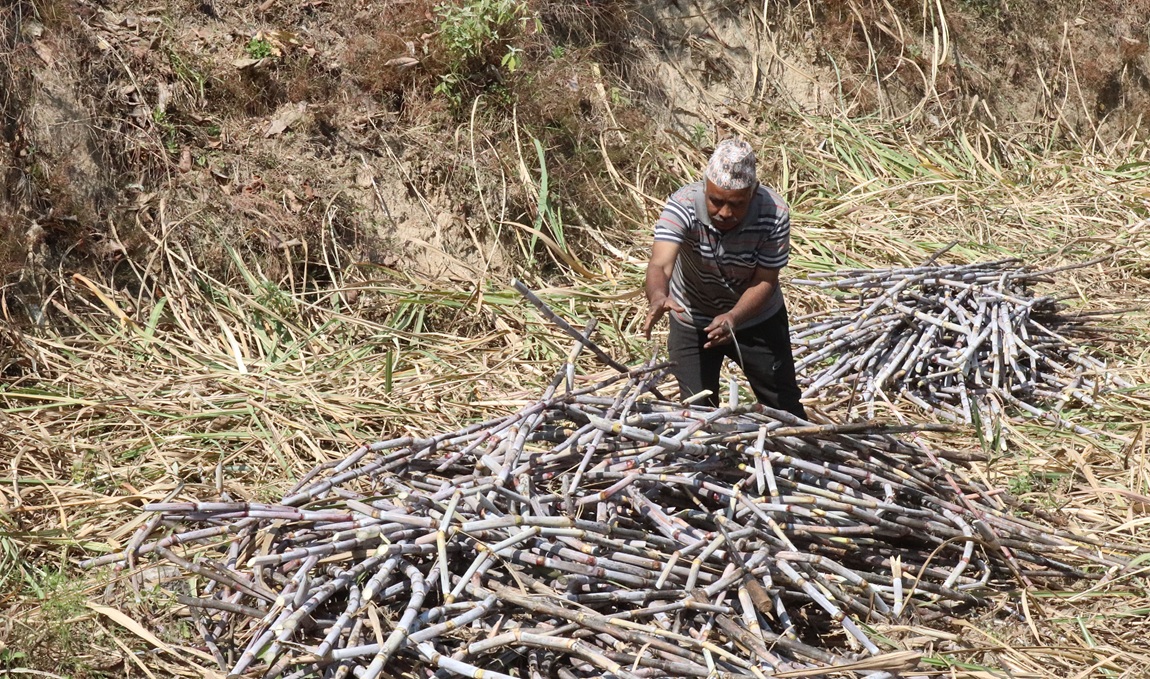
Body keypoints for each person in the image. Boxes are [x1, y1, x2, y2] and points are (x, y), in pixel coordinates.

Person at [642, 138, 807, 419]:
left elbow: (766, 280)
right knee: (697, 413)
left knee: (784, 407)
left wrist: (734, 317)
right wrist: (658, 295)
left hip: (756, 319)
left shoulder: (774, 213)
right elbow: (660, 263)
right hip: (692, 318)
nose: (725, 213)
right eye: (716, 201)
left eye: (737, 204)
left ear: (753, 194)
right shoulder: (683, 205)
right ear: (705, 186)